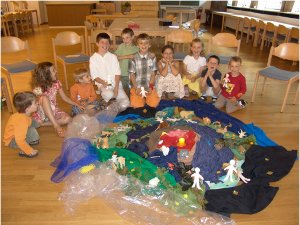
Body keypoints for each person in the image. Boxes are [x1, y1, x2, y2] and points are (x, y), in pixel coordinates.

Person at [32, 62, 83, 137]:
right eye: (53, 70)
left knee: (68, 119)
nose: (56, 71)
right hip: (41, 112)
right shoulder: (38, 87)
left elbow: (64, 97)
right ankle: (56, 126)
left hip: (53, 111)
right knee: (44, 98)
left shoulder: (56, 83)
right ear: (46, 75)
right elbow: (38, 102)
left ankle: (42, 124)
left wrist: (77, 104)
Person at [89, 32, 130, 111]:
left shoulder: (113, 57)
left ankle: (112, 106)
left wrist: (116, 88)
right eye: (102, 42)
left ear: (109, 44)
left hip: (116, 84)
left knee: (126, 103)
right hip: (103, 85)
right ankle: (108, 102)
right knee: (109, 94)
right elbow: (94, 76)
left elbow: (117, 73)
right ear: (97, 44)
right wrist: (104, 83)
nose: (105, 45)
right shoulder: (93, 58)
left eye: (107, 42)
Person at [3, 92, 39, 158]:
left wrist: (38, 123)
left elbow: (31, 121)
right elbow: (19, 140)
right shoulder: (22, 120)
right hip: (12, 141)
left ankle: (30, 140)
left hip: (17, 135)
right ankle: (24, 151)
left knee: (33, 128)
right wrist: (29, 150)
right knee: (32, 131)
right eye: (35, 103)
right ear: (27, 109)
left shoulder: (25, 114)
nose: (38, 103)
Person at [128, 33, 160, 108]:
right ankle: (140, 98)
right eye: (141, 43)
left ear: (149, 45)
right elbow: (132, 75)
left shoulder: (152, 57)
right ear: (137, 45)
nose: (144, 45)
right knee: (137, 106)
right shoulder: (133, 58)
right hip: (137, 86)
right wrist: (136, 88)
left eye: (146, 43)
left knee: (154, 104)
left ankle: (147, 97)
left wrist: (151, 87)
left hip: (149, 85)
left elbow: (153, 74)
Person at [114, 28, 139, 95]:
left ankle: (133, 99)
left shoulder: (137, 48)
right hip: (123, 73)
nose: (125, 40)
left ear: (132, 37)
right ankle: (127, 101)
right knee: (125, 89)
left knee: (133, 88)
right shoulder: (122, 46)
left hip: (134, 74)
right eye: (123, 38)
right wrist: (128, 56)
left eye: (127, 38)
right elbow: (115, 57)